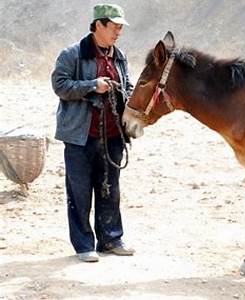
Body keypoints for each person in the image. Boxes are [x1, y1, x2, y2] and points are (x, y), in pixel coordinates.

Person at [51, 3, 134, 262]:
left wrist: (125, 94)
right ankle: (84, 245)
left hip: (112, 136)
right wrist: (92, 86)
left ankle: (111, 240)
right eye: (115, 27)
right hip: (79, 136)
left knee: (110, 189)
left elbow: (129, 87)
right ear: (99, 24)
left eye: (121, 27)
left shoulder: (119, 56)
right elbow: (60, 85)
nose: (119, 32)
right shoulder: (72, 54)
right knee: (79, 192)